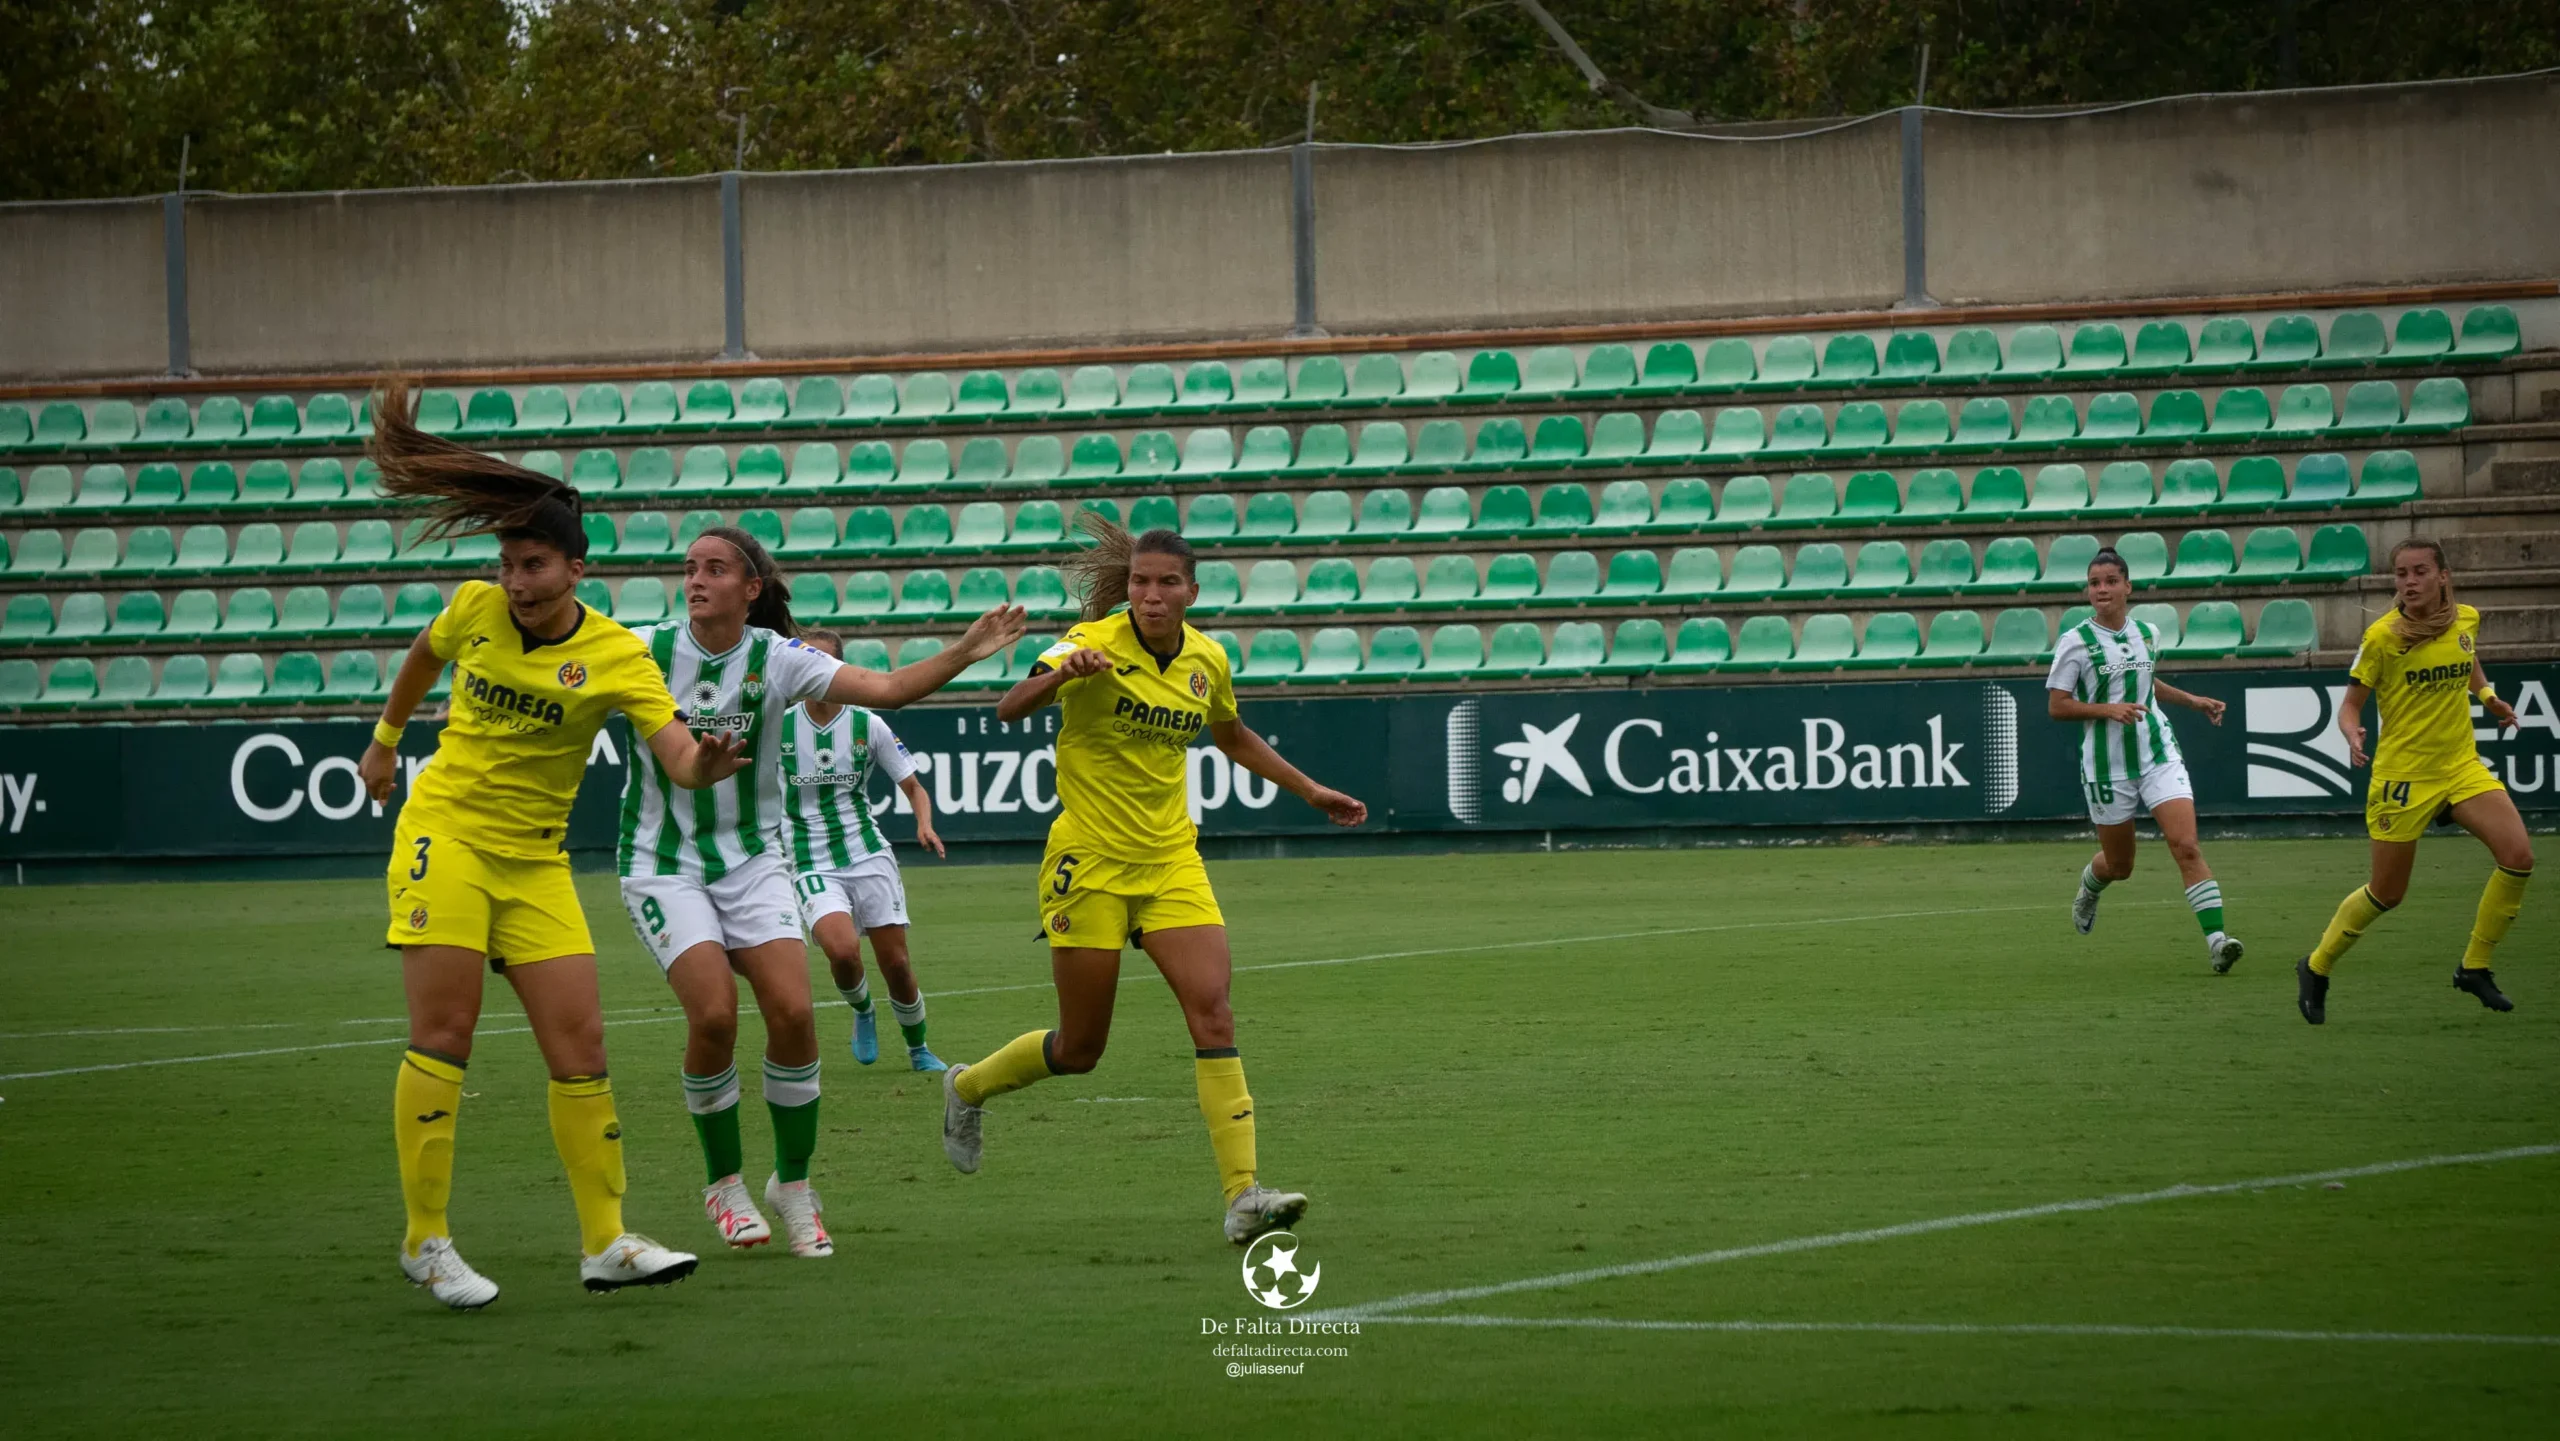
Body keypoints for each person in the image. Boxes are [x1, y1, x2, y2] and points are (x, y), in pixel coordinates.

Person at [356, 380, 751, 1310]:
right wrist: (384, 740)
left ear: (578, 569)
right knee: (444, 1035)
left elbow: (679, 757)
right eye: (508, 565)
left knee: (582, 1048)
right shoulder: (473, 610)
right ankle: (426, 1240)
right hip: (445, 836)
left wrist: (711, 763)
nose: (515, 583)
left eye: (533, 566)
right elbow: (424, 654)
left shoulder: (618, 654)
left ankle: (607, 1241)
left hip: (534, 861)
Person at [937, 517, 1368, 1246]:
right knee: (1080, 1048)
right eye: (1141, 581)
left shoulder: (1207, 658)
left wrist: (1310, 790)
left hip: (1172, 861)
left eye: (1167, 582)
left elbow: (1231, 733)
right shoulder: (1090, 643)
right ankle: (967, 1086)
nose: (1152, 594)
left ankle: (1243, 1196)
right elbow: (1008, 706)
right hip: (1090, 864)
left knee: (1215, 1014)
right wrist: (1057, 680)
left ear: (1192, 591)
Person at [616, 529, 1022, 1258]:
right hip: (662, 859)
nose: (697, 579)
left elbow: (890, 689)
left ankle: (793, 1187)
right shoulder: (642, 648)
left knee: (796, 1011)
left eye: (715, 569)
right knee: (712, 1014)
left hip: (753, 859)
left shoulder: (778, 658)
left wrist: (963, 652)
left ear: (751, 588)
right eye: (689, 568)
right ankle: (724, 1182)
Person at [2297, 538, 2532, 1025]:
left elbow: (2469, 660)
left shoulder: (2466, 618)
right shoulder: (2383, 637)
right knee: (2387, 893)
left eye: (2420, 571)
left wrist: (2487, 696)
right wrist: (2351, 733)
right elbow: (2349, 705)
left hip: (2460, 767)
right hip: (2403, 777)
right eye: (2401, 573)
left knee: (2518, 857)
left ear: (2443, 576)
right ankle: (2316, 967)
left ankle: (2474, 967)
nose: (2409, 581)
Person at [2047, 548, 2246, 971]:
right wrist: (2107, 709)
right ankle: (2089, 887)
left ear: (2127, 586)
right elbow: (2058, 706)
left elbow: (2143, 682)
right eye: (2095, 582)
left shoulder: (2147, 633)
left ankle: (2217, 942)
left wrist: (2192, 701)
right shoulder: (2075, 642)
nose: (2102, 589)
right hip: (2107, 766)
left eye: (2110, 581)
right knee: (2120, 866)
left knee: (2186, 846)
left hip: (2158, 754)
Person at [778, 627, 951, 1075]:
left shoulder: (866, 723)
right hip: (808, 858)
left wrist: (924, 822)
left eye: (822, 665)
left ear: (839, 670)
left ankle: (918, 1048)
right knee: (842, 951)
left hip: (866, 851)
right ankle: (862, 1011)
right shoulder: (777, 723)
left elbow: (913, 786)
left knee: (896, 963)